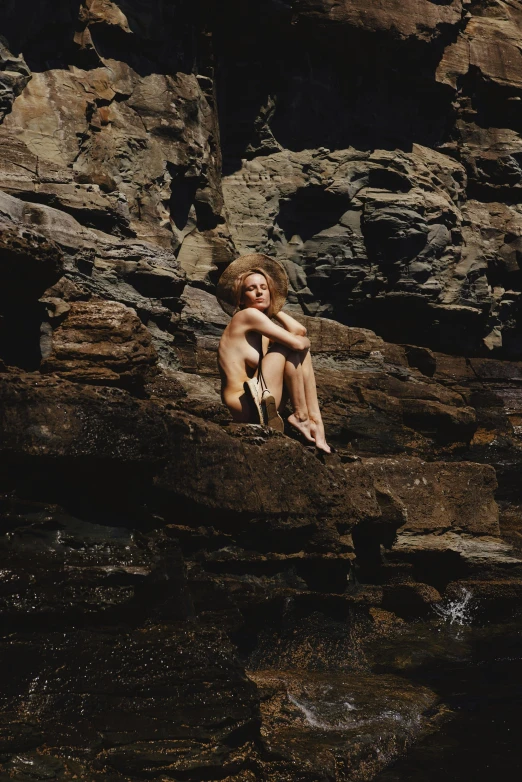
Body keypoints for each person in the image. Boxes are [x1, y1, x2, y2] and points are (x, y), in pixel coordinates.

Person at [217, 253, 332, 454]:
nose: (259, 293)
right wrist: (303, 343)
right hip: (243, 402)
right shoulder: (246, 316)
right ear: (242, 299)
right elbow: (298, 342)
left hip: (260, 400)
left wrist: (273, 307)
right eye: (251, 289)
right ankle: (302, 417)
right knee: (292, 348)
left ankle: (314, 422)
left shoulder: (261, 330)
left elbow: (300, 332)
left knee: (297, 352)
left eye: (264, 288)